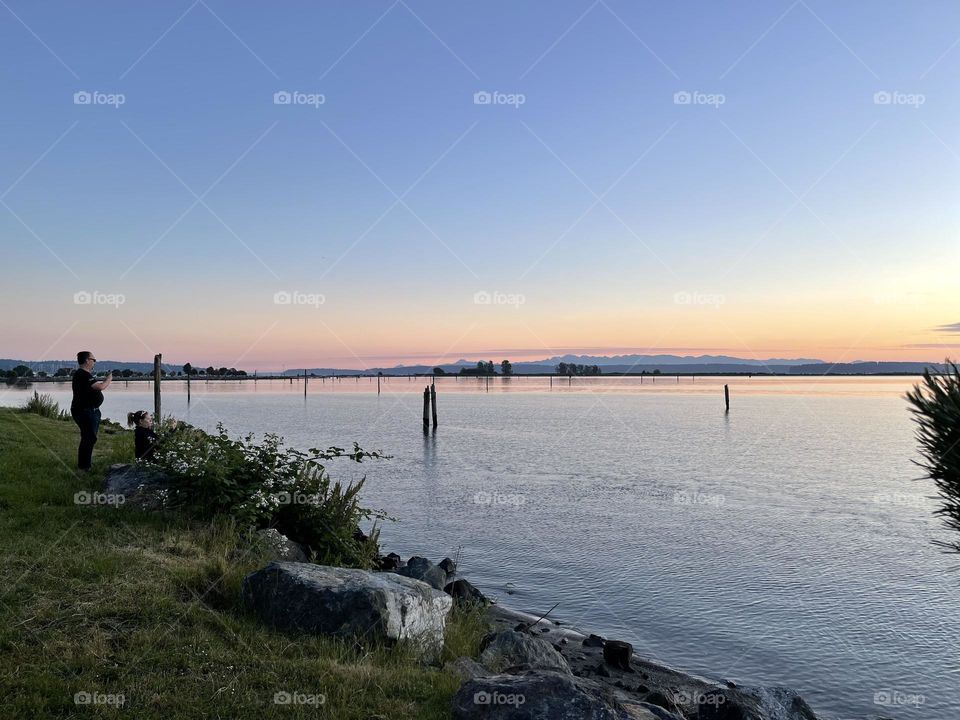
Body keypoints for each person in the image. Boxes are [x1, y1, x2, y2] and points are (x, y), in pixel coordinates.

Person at [70, 351, 112, 471]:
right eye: (94, 360)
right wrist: (108, 379)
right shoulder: (83, 374)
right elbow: (100, 387)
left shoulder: (85, 375)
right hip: (85, 411)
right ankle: (84, 467)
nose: (94, 362)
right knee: (88, 438)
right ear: (87, 360)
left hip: (90, 411)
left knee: (89, 438)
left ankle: (85, 465)